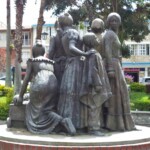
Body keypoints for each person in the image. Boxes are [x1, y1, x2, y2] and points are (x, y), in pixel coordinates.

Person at [13, 42, 76, 135]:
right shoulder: (50, 62)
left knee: (36, 109)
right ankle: (62, 121)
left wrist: (21, 96)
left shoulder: (32, 61)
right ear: (43, 52)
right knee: (47, 109)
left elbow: (26, 80)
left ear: (33, 52)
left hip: (40, 84)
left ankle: (44, 125)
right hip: (53, 85)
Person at [57, 13, 95, 130]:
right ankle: (76, 123)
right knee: (74, 94)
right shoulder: (72, 32)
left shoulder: (64, 34)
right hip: (76, 65)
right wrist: (85, 53)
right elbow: (72, 47)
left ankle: (66, 121)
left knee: (69, 94)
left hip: (70, 65)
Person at [101, 12, 135, 131]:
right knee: (116, 94)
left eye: (116, 20)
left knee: (121, 93)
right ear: (108, 22)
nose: (114, 23)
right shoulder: (109, 34)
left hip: (116, 65)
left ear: (119, 22)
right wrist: (110, 68)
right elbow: (108, 51)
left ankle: (122, 123)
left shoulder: (113, 34)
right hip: (112, 66)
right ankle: (114, 124)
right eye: (112, 20)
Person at [80, 32, 112, 136]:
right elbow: (93, 71)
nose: (97, 39)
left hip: (97, 85)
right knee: (94, 106)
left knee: (97, 107)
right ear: (90, 41)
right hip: (95, 87)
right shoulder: (93, 54)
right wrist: (97, 84)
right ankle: (93, 128)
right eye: (95, 38)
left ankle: (97, 126)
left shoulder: (93, 53)